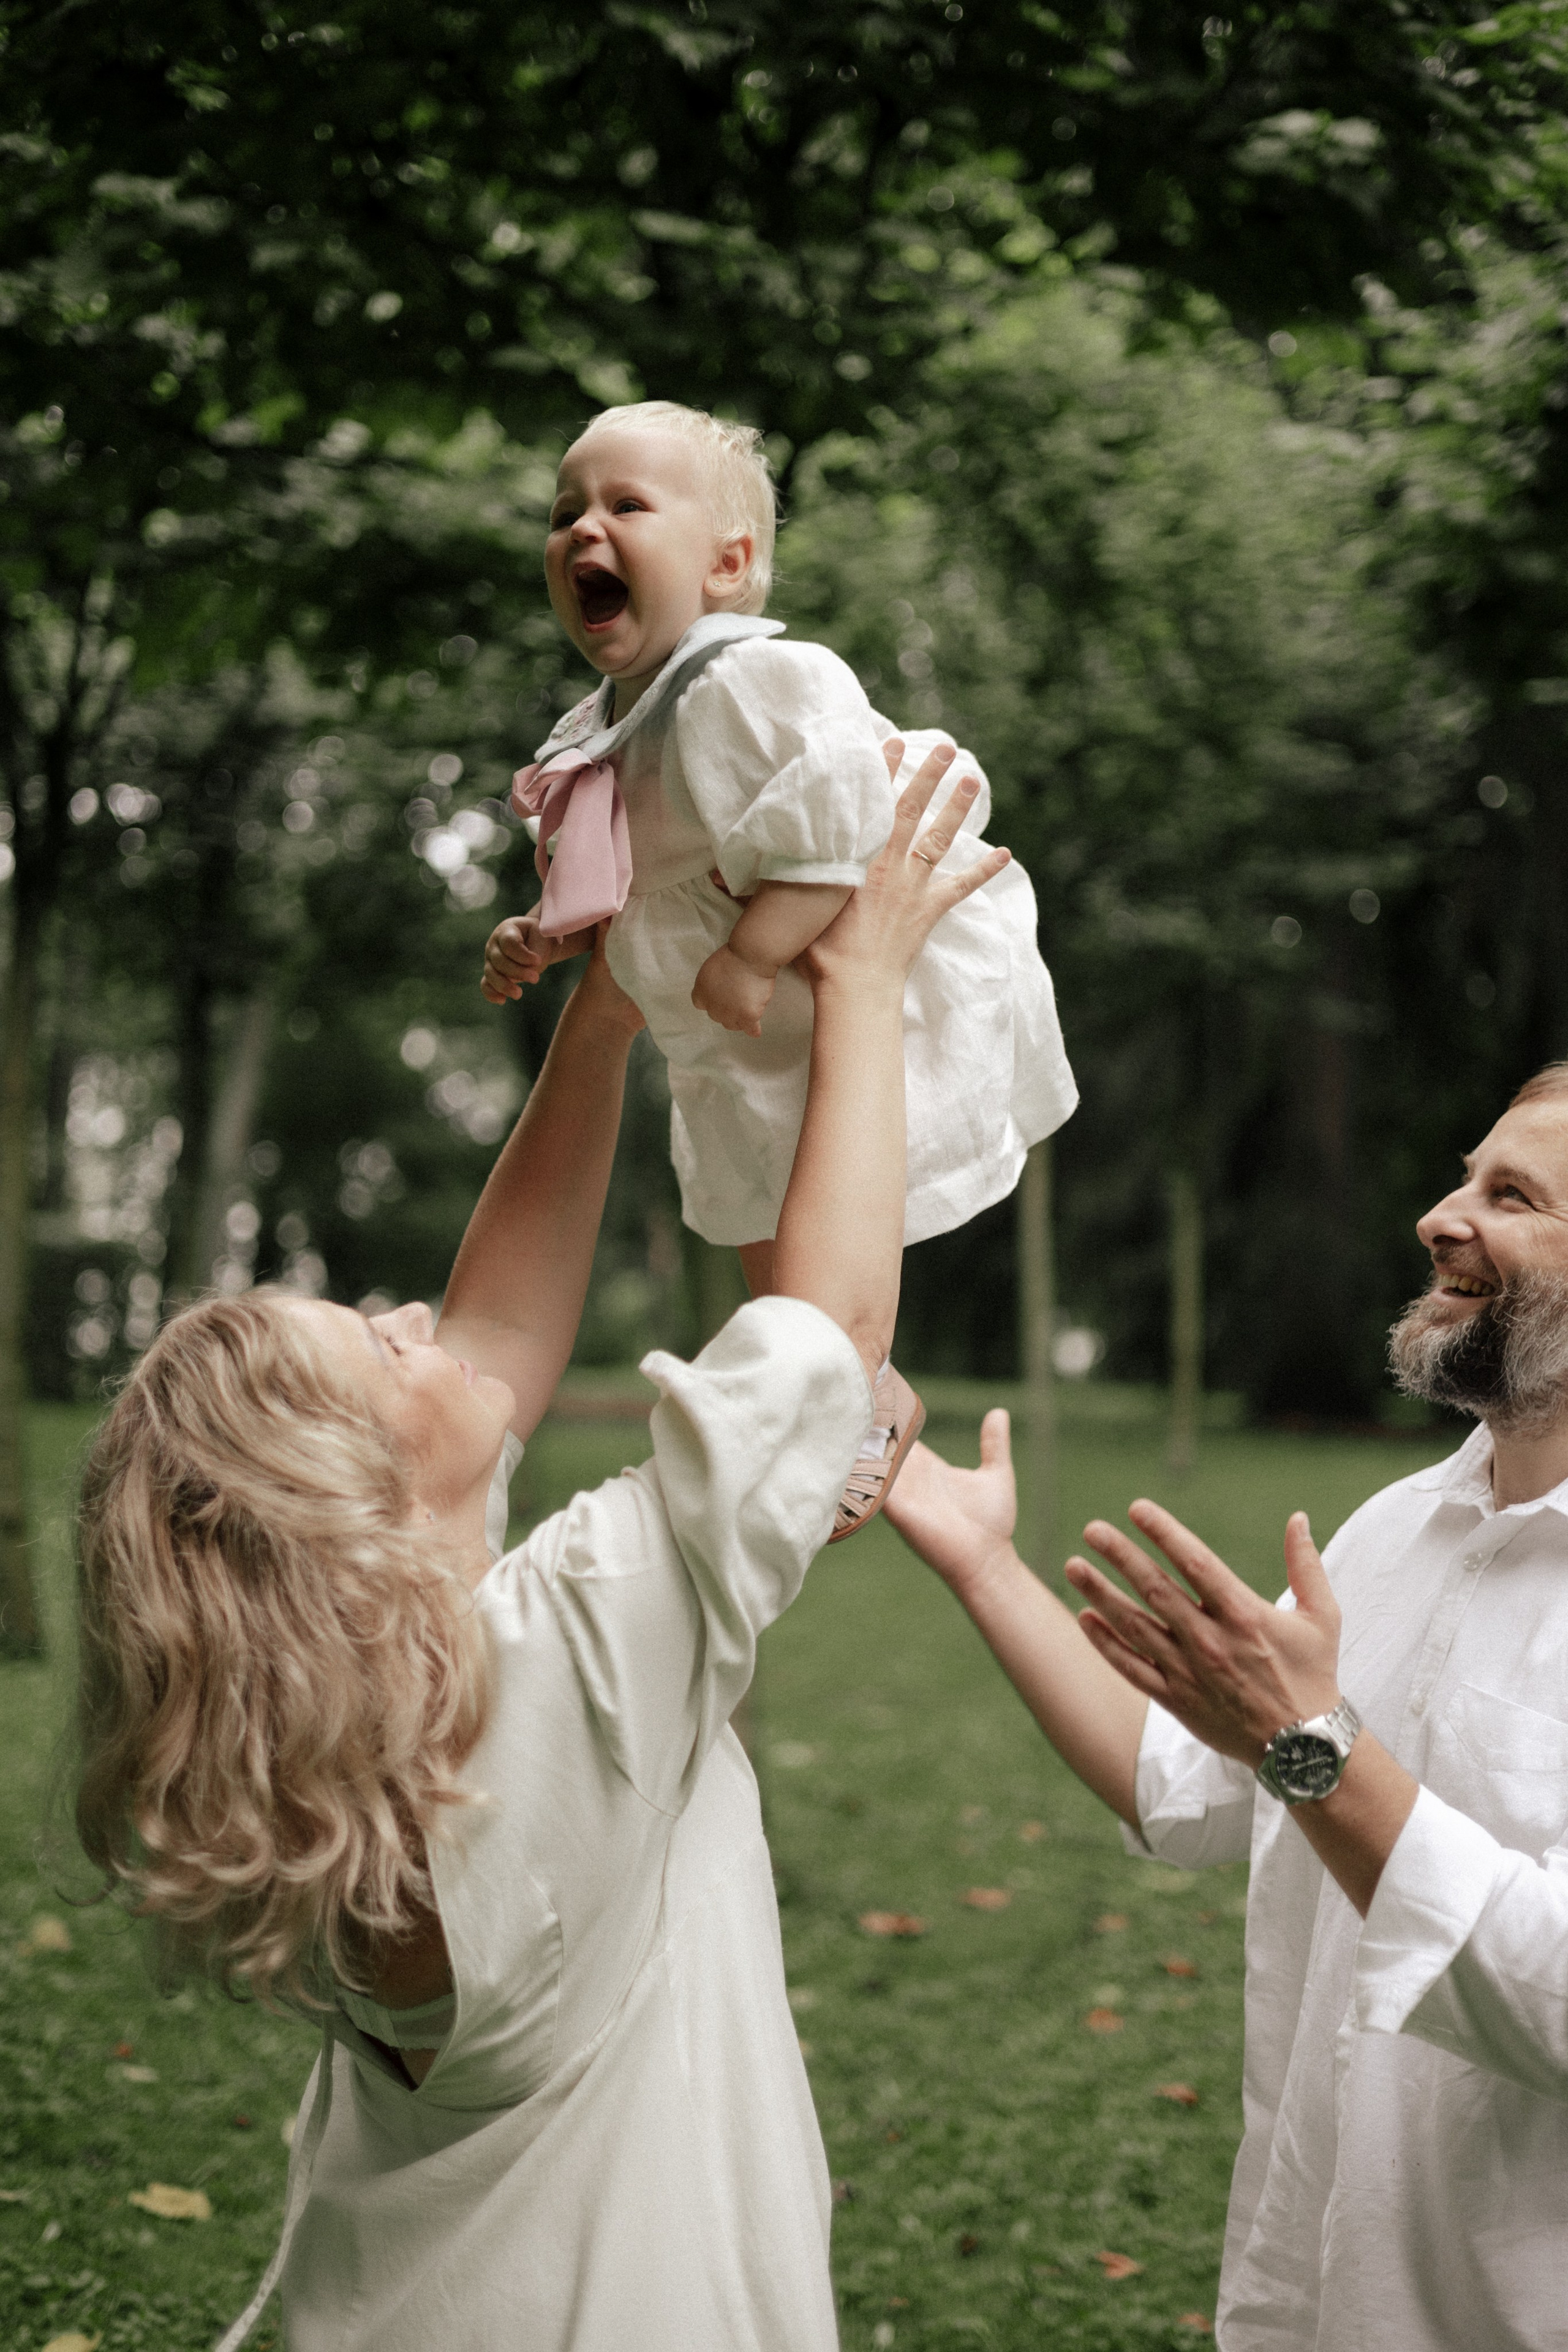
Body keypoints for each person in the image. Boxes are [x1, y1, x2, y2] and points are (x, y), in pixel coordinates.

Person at [74, 749, 1006, 2352]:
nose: (411, 1316)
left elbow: (496, 1329)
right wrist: (861, 978)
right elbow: (832, 1333)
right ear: (346, 1514)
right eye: (374, 1350)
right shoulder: (560, 1670)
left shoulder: (355, 1754)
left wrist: (613, 1005)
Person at [886, 1062, 1568, 2352]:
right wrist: (979, 1561)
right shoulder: (1397, 1531)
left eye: (1509, 1195)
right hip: (1313, 2294)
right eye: (1460, 1175)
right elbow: (1182, 1789)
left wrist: (1303, 1743)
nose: (1438, 1213)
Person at [480, 399, 1076, 1537]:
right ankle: (866, 1393)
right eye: (565, 514)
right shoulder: (600, 727)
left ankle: (857, 1386)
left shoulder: (744, 687)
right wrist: (541, 936)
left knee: (829, 1197)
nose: (582, 531)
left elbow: (838, 818)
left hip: (819, 977)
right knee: (757, 1205)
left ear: (728, 562)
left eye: (625, 506)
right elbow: (607, 871)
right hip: (723, 1015)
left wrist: (756, 950)